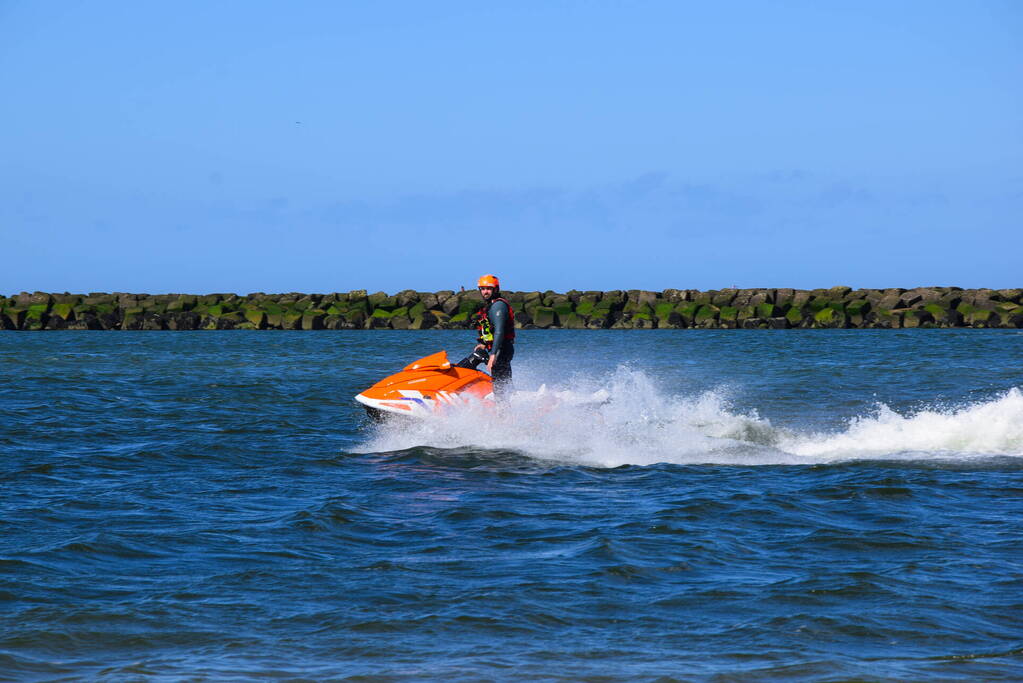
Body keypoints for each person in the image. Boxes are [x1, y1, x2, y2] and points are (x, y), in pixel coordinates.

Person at [456, 274, 515, 396]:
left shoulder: (498, 306)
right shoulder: (490, 305)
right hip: (499, 349)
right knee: (502, 383)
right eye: (482, 289)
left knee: (500, 386)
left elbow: (499, 331)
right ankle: (511, 398)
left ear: (495, 289)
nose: (485, 292)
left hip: (501, 350)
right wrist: (483, 343)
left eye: (488, 289)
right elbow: (490, 329)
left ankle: (452, 383)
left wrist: (493, 355)